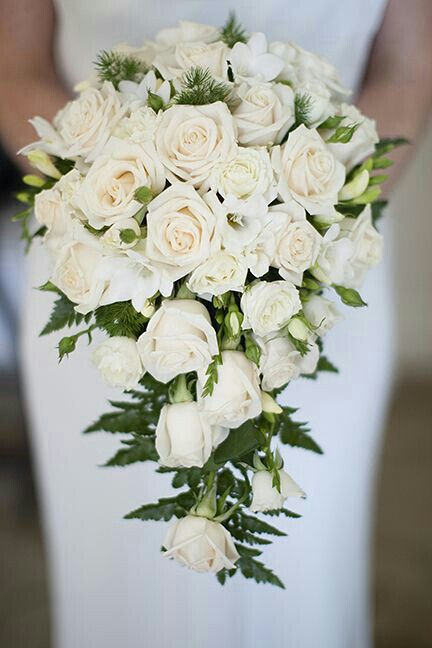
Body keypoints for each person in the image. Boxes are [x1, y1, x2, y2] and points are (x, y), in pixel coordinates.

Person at [0, 1, 431, 647]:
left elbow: (406, 68)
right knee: (115, 559)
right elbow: (17, 61)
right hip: (98, 261)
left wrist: (312, 224)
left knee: (308, 547)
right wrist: (111, 215)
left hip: (321, 264)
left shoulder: (320, 240)